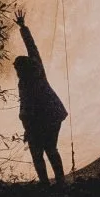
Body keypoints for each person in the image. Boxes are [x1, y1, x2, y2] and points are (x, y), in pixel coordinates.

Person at [14, 13, 67, 183]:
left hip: (42, 118)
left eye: (16, 69)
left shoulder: (27, 83)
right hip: (53, 114)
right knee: (50, 149)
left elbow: (26, 109)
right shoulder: (37, 68)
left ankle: (46, 183)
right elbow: (32, 46)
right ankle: (59, 182)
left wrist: (28, 128)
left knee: (39, 152)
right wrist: (23, 28)